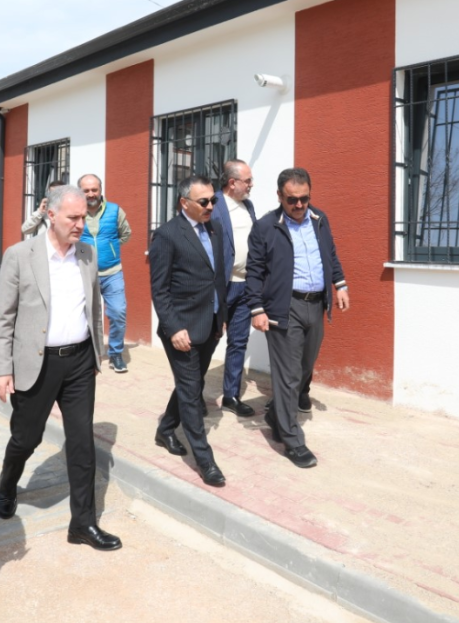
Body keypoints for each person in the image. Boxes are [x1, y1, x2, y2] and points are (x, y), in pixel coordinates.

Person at [0, 185, 122, 552]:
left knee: (82, 443)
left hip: (79, 363)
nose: (81, 224)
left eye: (84, 217)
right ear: (50, 215)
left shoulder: (87, 254)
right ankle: (8, 482)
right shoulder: (20, 255)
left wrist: (95, 355)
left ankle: (83, 523)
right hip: (37, 363)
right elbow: (4, 317)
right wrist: (1, 369)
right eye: (73, 217)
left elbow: (94, 307)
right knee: (26, 438)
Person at [246, 168, 348, 470]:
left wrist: (340, 284)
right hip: (284, 307)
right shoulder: (266, 227)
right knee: (288, 375)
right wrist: (257, 309)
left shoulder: (319, 219)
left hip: (316, 305)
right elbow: (254, 271)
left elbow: (330, 254)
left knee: (304, 368)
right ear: (280, 196)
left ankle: (276, 414)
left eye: (304, 198)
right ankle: (291, 440)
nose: (300, 205)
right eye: (292, 200)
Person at [149, 175, 228, 487]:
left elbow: (216, 276)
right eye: (204, 201)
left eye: (213, 200)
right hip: (181, 329)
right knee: (192, 390)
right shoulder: (167, 235)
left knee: (190, 385)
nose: (211, 206)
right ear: (184, 203)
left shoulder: (214, 228)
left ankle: (165, 428)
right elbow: (160, 290)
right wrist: (173, 328)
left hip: (209, 324)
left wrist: (221, 316)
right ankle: (205, 460)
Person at [212, 160, 260, 417]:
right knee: (206, 341)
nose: (251, 185)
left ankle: (231, 396)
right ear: (232, 182)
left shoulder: (248, 206)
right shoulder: (213, 204)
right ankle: (191, 397)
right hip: (219, 287)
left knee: (238, 342)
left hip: (245, 285)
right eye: (248, 180)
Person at [76, 174, 132, 373]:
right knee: (86, 316)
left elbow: (126, 234)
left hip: (112, 272)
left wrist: (111, 248)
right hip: (84, 273)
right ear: (80, 192)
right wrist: (83, 255)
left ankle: (115, 353)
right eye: (86, 190)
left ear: (100, 190)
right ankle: (92, 352)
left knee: (118, 312)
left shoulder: (115, 210)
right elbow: (70, 238)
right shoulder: (75, 212)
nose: (91, 194)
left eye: (94, 189)